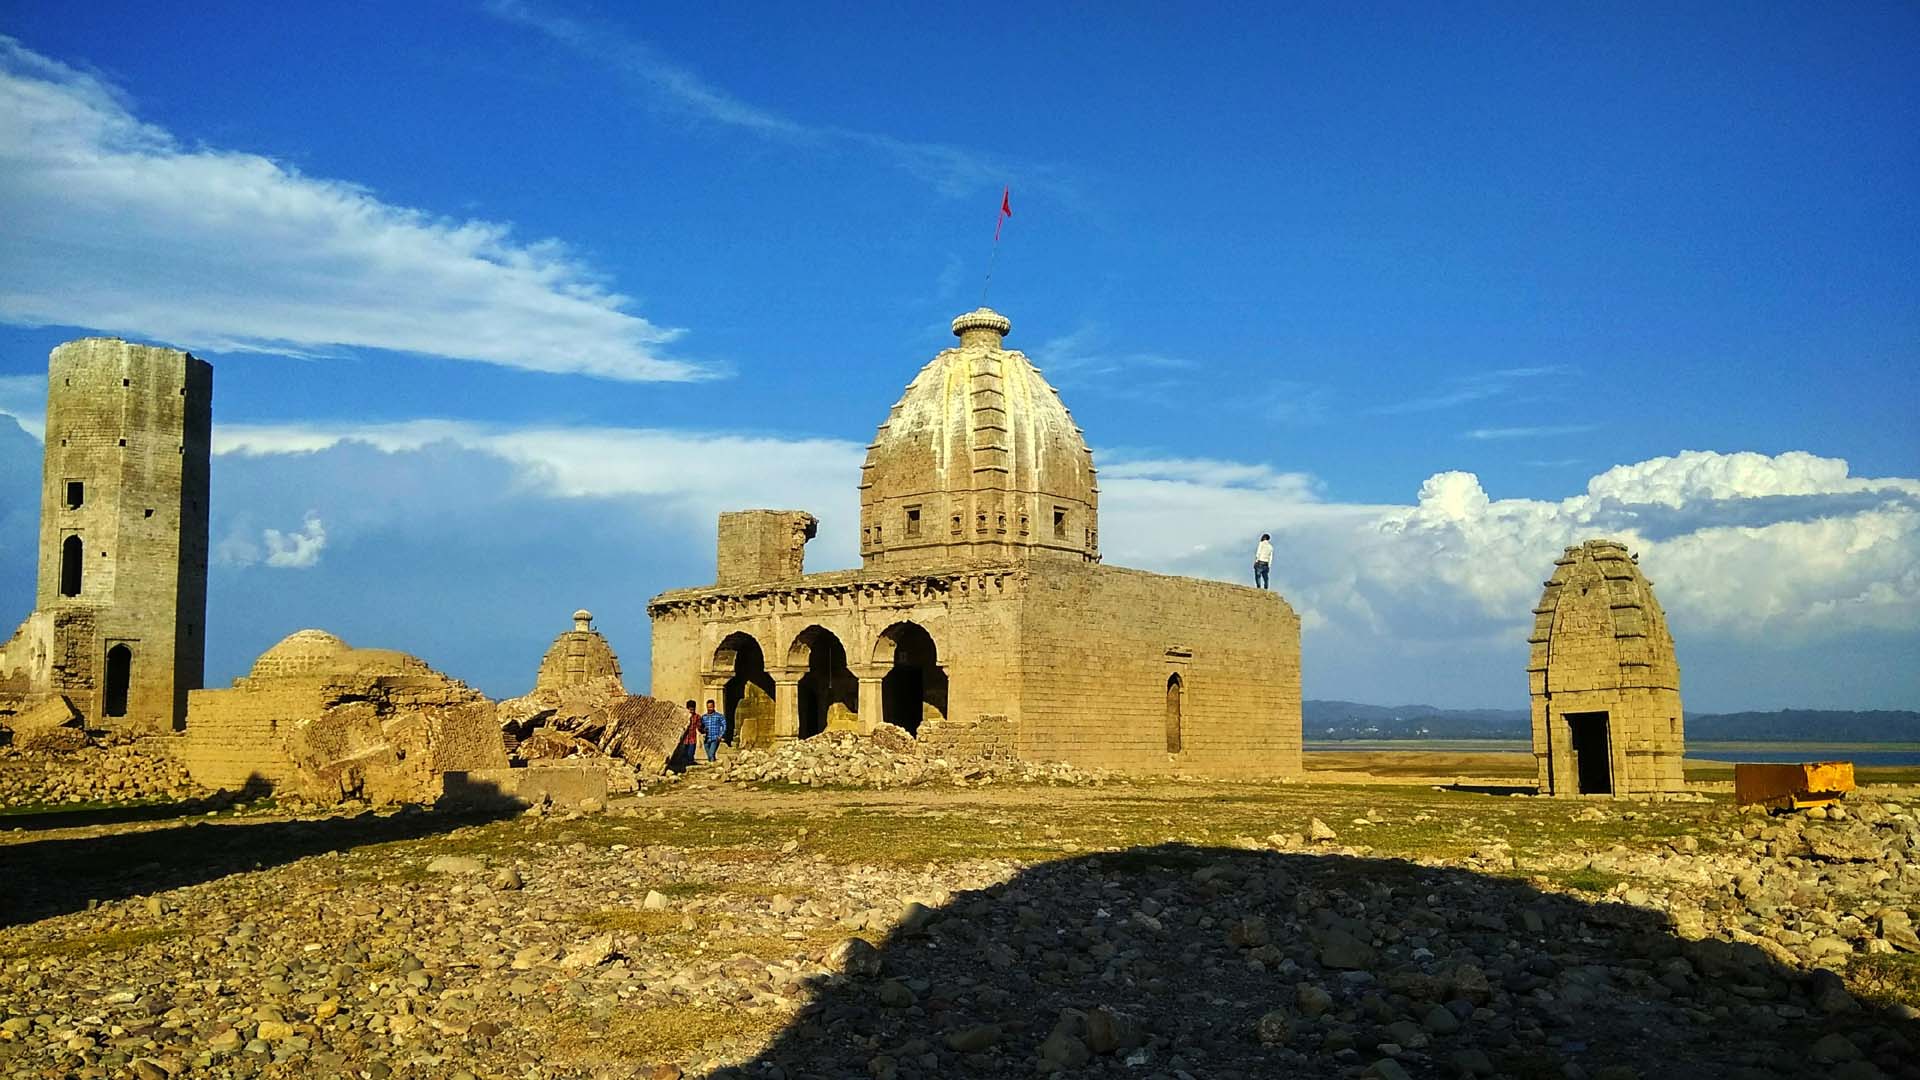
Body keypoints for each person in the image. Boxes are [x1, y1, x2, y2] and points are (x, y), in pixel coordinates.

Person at [670, 700, 700, 773]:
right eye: (690, 709)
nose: (691, 711)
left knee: (690, 754)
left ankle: (690, 768)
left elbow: (699, 726)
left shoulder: (697, 717)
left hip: (692, 738)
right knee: (683, 754)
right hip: (684, 739)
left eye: (693, 709)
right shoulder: (683, 716)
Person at [700, 699, 728, 763]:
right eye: (708, 707)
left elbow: (724, 726)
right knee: (709, 756)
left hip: (715, 738)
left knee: (711, 754)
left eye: (711, 707)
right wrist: (703, 731)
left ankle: (712, 767)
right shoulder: (704, 717)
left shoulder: (719, 716)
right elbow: (701, 727)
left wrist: (720, 735)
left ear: (714, 706)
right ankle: (714, 766)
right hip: (706, 739)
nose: (709, 709)